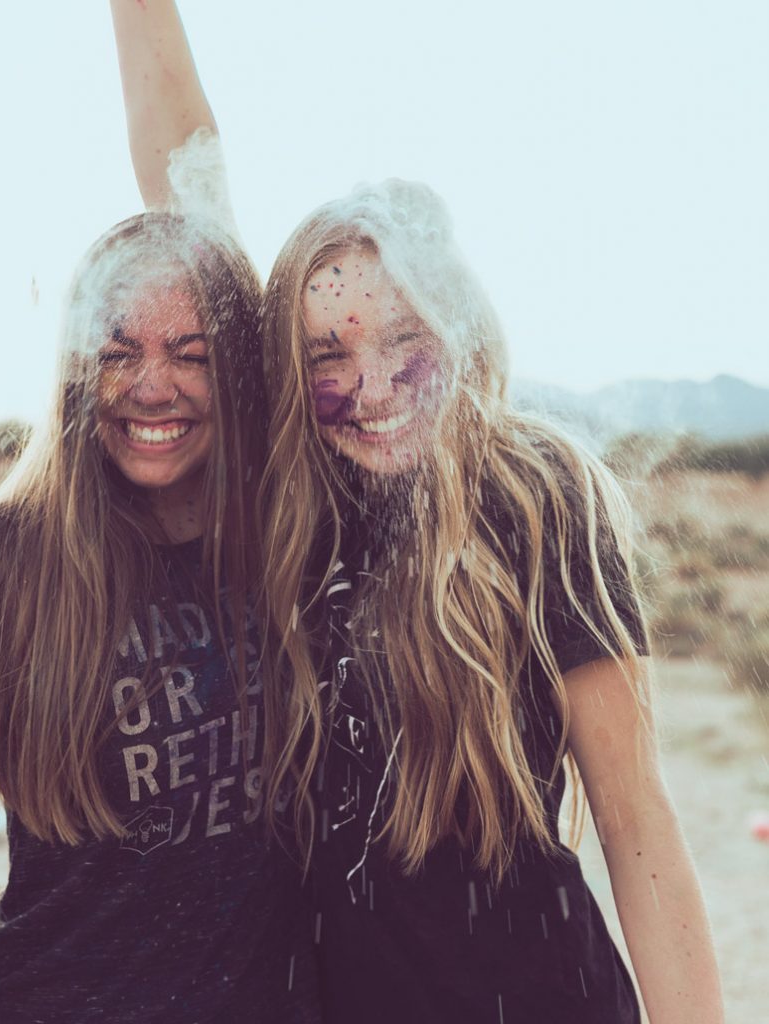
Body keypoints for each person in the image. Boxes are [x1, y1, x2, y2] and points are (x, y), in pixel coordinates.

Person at [0, 15, 319, 1022]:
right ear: (78, 367)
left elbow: (195, 181)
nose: (153, 385)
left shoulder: (286, 527)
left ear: (240, 365)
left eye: (191, 349)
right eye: (119, 349)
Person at [257, 182, 725, 1023]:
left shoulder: (536, 496)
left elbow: (636, 821)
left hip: (547, 999)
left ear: (458, 328)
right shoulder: (290, 516)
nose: (373, 387)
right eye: (329, 356)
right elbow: (183, 174)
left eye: (406, 339)